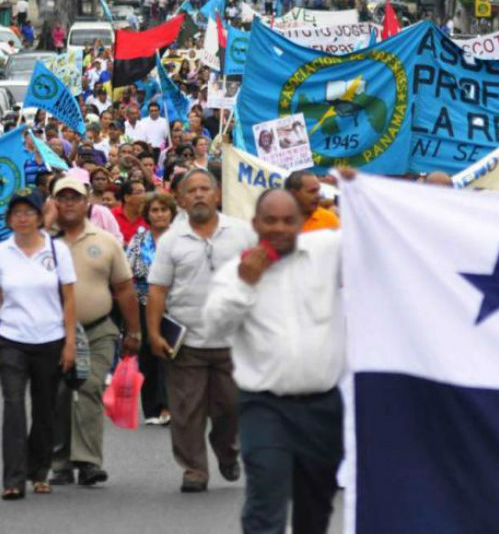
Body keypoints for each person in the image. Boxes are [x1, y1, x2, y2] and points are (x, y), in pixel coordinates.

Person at [203, 190, 344, 534]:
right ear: (255, 224)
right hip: (265, 406)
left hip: (323, 406)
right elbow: (215, 327)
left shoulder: (328, 251)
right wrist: (244, 285)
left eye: (287, 220)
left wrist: (361, 188)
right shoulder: (236, 272)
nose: (280, 228)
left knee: (315, 504)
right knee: (266, 500)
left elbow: (376, 233)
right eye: (271, 220)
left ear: (301, 223)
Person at [146, 169, 256, 492]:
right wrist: (153, 333)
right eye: (191, 190)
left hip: (233, 341)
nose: (198, 195)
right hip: (186, 343)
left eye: (204, 189)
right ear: (180, 199)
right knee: (185, 411)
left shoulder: (242, 233)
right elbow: (157, 291)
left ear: (217, 194)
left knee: (231, 409)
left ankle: (227, 452)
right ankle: (194, 469)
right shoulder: (170, 241)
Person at [49, 177, 141, 487]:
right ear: (53, 203)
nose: (70, 203)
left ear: (88, 200)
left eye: (76, 197)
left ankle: (87, 462)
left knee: (88, 386)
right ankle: (60, 462)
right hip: (53, 334)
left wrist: (134, 331)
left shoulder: (105, 241)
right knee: (58, 394)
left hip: (98, 329)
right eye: (63, 198)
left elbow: (125, 290)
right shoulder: (42, 243)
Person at [0, 189, 77, 500]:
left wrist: (70, 341)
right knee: (14, 407)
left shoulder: (57, 251)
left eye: (28, 212)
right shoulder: (3, 252)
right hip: (11, 339)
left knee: (46, 409)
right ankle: (14, 478)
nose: (22, 218)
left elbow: (69, 298)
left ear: (39, 217)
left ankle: (40, 471)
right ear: (9, 219)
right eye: (16, 213)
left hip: (50, 338)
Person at [126, 192, 178, 426]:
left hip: (175, 306)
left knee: (171, 356)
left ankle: (170, 406)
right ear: (147, 214)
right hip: (144, 305)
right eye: (154, 210)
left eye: (163, 210)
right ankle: (152, 409)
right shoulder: (138, 241)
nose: (159, 214)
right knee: (148, 357)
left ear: (171, 213)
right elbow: (128, 272)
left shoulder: (181, 240)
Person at [112, 179, 148, 245]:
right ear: (127, 197)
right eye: (139, 193)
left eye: (145, 192)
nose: (144, 196)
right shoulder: (112, 216)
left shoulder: (148, 217)